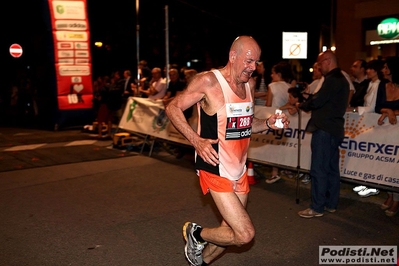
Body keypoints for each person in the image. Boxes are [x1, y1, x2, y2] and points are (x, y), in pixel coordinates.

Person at [165, 35, 290, 266]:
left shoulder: (249, 85)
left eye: (257, 63)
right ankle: (196, 234)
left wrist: (269, 124)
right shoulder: (209, 82)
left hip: (239, 167)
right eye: (249, 61)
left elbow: (246, 125)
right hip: (214, 164)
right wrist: (196, 140)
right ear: (233, 56)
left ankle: (200, 262)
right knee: (244, 234)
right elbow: (172, 107)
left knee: (228, 231)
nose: (253, 68)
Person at [296, 50, 349, 218]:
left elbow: (318, 100)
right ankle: (331, 204)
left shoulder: (333, 79)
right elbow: (322, 99)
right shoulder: (341, 79)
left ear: (327, 61)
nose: (318, 68)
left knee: (319, 169)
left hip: (325, 130)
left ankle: (317, 207)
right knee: (332, 169)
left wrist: (303, 104)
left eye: (319, 64)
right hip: (335, 129)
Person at [348, 59, 385, 197]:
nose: (367, 71)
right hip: (367, 122)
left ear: (376, 71)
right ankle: (366, 182)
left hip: (374, 122)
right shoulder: (371, 84)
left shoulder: (378, 85)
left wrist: (354, 110)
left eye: (369, 69)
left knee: (373, 153)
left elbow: (373, 107)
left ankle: (372, 185)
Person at [375, 56, 399, 217]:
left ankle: (396, 199)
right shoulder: (382, 85)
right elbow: (378, 107)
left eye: (385, 67)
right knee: (388, 163)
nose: (383, 70)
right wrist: (388, 111)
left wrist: (392, 112)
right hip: (387, 132)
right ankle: (390, 195)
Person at [265, 61, 293, 184]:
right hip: (286, 119)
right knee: (284, 145)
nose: (271, 76)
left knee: (274, 145)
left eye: (273, 73)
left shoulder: (272, 86)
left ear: (278, 74)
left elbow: (268, 105)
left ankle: (274, 173)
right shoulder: (289, 87)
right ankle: (286, 169)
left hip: (275, 119)